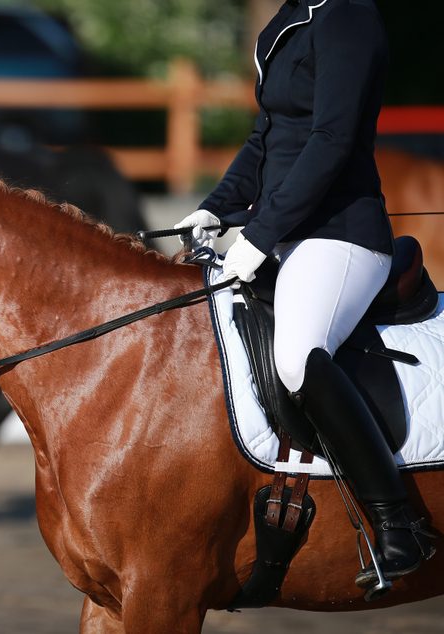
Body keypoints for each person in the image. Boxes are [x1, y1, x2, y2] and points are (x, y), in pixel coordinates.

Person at [175, 0, 435, 592]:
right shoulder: (288, 20)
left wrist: (261, 234)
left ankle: (400, 525)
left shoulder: (348, 16)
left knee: (297, 355)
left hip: (339, 237)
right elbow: (265, 137)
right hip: (284, 231)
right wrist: (217, 206)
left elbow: (332, 139)